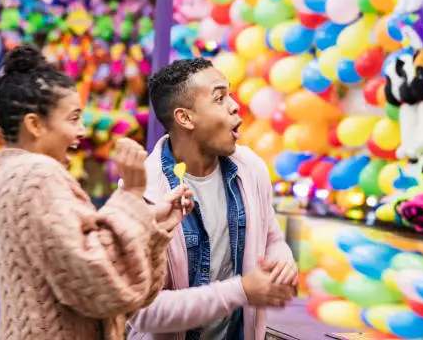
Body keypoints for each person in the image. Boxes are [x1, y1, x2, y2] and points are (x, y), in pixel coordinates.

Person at [0, 44, 193, 340]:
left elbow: (84, 256)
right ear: (34, 125)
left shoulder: (14, 175)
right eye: (72, 119)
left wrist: (152, 218)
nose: (82, 131)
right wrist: (132, 193)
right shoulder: (35, 176)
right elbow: (99, 281)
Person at [127, 58, 297, 340]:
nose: (234, 105)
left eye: (229, 94)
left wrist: (282, 262)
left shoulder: (250, 168)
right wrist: (241, 290)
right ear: (185, 118)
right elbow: (144, 311)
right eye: (219, 98)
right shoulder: (141, 192)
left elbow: (271, 238)